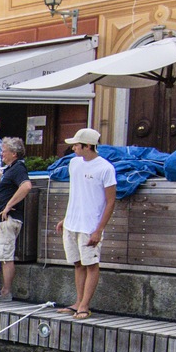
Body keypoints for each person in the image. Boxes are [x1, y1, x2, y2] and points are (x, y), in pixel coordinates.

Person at [55, 128, 116, 319]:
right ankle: (78, 302)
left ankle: (85, 305)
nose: (73, 148)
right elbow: (78, 193)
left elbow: (110, 201)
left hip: (90, 225)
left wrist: (99, 230)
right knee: (77, 263)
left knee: (91, 264)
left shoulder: (105, 168)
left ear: (88, 146)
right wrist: (66, 218)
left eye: (77, 145)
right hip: (72, 222)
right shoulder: (74, 163)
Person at [0, 136, 31, 300]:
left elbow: (26, 186)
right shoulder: (9, 168)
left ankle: (6, 291)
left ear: (14, 153)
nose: (1, 154)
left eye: (4, 151)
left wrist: (8, 206)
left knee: (5, 256)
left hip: (6, 219)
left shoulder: (18, 168)